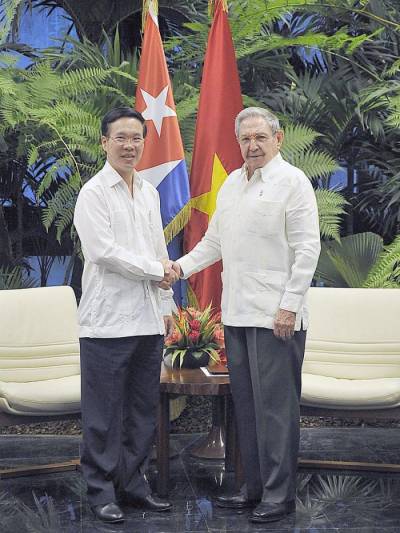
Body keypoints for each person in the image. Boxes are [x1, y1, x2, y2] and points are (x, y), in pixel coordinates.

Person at [173, 107, 321, 524]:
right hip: (236, 315)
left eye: (260, 137)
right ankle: (252, 487)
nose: (252, 146)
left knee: (276, 410)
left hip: (278, 317)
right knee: (248, 409)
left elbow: (308, 250)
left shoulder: (293, 183)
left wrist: (289, 305)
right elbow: (213, 243)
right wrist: (178, 269)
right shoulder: (233, 184)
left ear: (279, 138)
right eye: (245, 139)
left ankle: (279, 495)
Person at [74, 107, 178, 524]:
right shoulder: (93, 193)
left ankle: (134, 485)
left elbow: (158, 251)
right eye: (120, 138)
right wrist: (158, 270)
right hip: (106, 322)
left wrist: (168, 302)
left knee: (140, 411)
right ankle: (100, 491)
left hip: (148, 319)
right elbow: (104, 253)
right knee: (102, 415)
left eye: (136, 138)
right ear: (104, 142)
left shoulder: (149, 193)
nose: (129, 145)